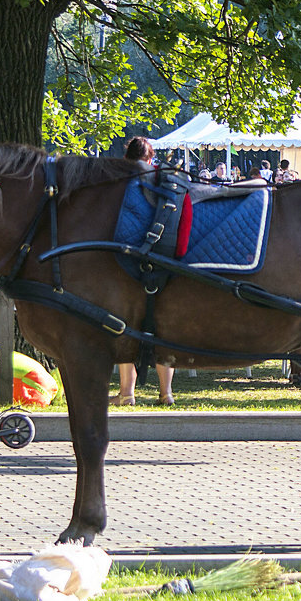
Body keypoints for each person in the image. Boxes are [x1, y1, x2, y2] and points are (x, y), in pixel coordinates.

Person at [114, 137, 174, 406]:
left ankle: (127, 393)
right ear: (151, 158)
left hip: (128, 265)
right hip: (161, 260)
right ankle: (166, 392)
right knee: (161, 333)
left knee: (127, 330)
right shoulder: (162, 182)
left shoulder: (121, 184)